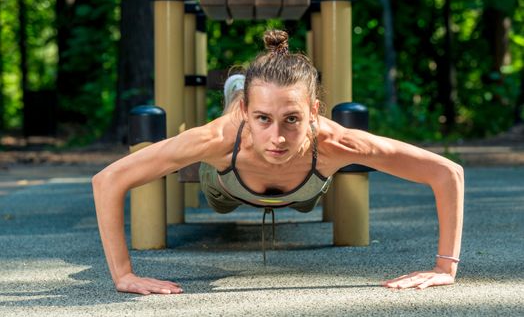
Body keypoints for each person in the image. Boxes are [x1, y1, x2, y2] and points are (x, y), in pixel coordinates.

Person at [92, 30, 464, 295]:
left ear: (314, 112)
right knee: (221, 199)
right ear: (247, 114)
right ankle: (236, 92)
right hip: (226, 186)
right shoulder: (218, 139)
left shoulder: (335, 141)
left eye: (292, 119)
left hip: (303, 191)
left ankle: (244, 92)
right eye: (263, 118)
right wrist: (124, 275)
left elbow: (447, 172)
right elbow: (108, 181)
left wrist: (444, 268)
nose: (278, 138)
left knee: (304, 202)